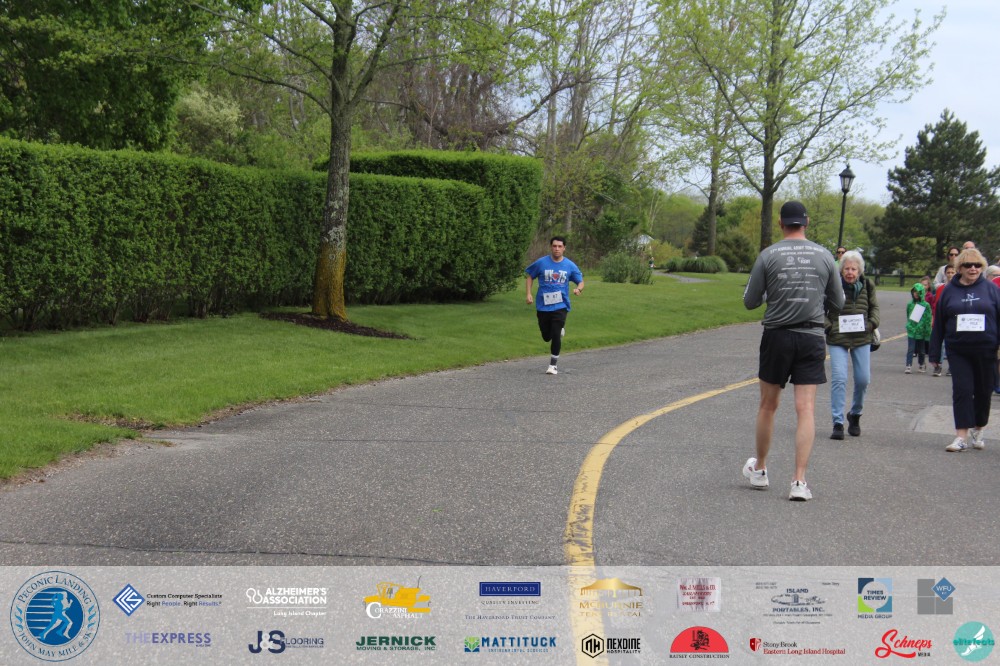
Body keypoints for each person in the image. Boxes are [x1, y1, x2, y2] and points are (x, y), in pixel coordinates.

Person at [742, 201, 843, 501]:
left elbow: (750, 301)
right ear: (806, 222)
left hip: (777, 335)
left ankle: (760, 469)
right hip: (811, 335)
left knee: (768, 405)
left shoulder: (769, 255)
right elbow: (838, 302)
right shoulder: (825, 256)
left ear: (780, 223)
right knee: (806, 408)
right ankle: (799, 481)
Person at [929, 248, 1000, 452]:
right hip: (958, 349)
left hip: (986, 349)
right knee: (962, 390)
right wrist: (935, 353)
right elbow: (939, 323)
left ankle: (979, 426)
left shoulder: (991, 289)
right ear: (960, 268)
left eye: (977, 265)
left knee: (983, 391)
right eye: (968, 265)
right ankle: (961, 436)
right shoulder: (949, 290)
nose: (973, 269)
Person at [824, 251, 879, 440]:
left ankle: (855, 414)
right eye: (846, 268)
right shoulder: (832, 285)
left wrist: (872, 324)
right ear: (841, 270)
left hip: (862, 337)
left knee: (863, 379)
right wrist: (828, 327)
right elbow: (819, 308)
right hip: (838, 337)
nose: (850, 272)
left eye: (853, 269)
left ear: (859, 270)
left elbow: (875, 308)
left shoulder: (868, 285)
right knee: (839, 378)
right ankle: (838, 422)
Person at [525, 236, 584, 375]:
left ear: (564, 248)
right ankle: (557, 330)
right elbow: (530, 276)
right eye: (554, 246)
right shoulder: (541, 263)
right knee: (546, 336)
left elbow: (580, 281)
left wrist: (578, 289)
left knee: (556, 334)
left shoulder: (569, 265)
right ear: (551, 247)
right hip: (543, 305)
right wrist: (528, 293)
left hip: (560, 305)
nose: (557, 249)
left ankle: (553, 365)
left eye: (559, 246)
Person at [931, 264, 957, 376]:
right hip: (941, 319)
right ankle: (938, 365)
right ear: (945, 274)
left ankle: (952, 366)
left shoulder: (959, 288)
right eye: (948, 273)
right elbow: (936, 305)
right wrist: (933, 318)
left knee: (951, 344)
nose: (950, 275)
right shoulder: (941, 288)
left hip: (953, 320)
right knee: (939, 344)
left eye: (952, 272)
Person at [905, 283, 932, 373]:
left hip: (921, 330)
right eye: (914, 292)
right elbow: (908, 316)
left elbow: (927, 318)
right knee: (911, 348)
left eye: (917, 292)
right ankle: (908, 365)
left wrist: (927, 331)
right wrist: (910, 325)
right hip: (912, 329)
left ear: (921, 293)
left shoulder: (926, 305)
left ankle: (921, 363)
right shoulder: (910, 304)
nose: (915, 294)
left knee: (921, 349)